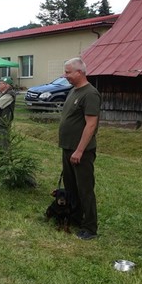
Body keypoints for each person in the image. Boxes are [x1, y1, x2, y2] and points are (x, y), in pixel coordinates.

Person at [59, 57, 101, 241]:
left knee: (85, 189)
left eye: (68, 72)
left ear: (80, 72)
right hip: (68, 148)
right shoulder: (73, 91)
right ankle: (75, 218)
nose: (65, 75)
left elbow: (91, 125)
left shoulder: (90, 93)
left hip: (80, 151)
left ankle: (90, 227)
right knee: (71, 187)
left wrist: (80, 150)